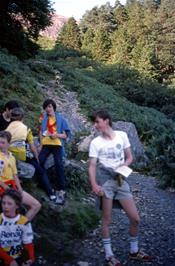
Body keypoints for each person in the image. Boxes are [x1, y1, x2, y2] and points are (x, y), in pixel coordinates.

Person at [88, 109, 152, 266]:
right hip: (106, 183)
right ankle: (109, 255)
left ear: (106, 120)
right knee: (107, 220)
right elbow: (91, 166)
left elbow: (130, 157)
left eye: (97, 121)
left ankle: (134, 251)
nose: (95, 125)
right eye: (94, 122)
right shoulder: (96, 142)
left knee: (135, 219)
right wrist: (94, 184)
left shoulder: (122, 135)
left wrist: (123, 166)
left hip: (120, 180)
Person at [0, 131, 41, 221]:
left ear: (9, 144)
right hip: (3, 188)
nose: (0, 145)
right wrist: (6, 188)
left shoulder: (11, 157)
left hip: (13, 186)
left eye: (3, 142)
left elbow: (15, 175)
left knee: (36, 205)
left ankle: (19, 227)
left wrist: (20, 189)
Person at [38, 99, 71, 205]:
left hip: (57, 144)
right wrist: (40, 144)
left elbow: (66, 135)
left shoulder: (61, 119)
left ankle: (61, 189)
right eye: (46, 107)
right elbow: (40, 132)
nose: (48, 109)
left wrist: (56, 135)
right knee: (39, 162)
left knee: (59, 164)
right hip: (46, 144)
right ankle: (46, 185)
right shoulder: (43, 119)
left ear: (53, 107)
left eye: (50, 107)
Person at [0, 189, 35, 266]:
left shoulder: (23, 221)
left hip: (17, 255)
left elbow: (28, 243)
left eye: (9, 204)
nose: (5, 206)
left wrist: (30, 259)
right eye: (3, 203)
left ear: (17, 205)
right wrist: (10, 260)